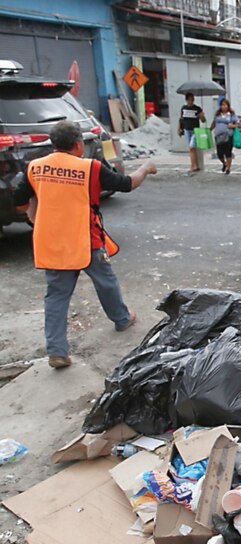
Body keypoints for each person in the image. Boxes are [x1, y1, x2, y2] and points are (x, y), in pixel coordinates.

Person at [13, 121, 157, 369]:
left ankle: (57, 351)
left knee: (56, 296)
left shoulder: (35, 167)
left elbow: (19, 201)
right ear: (78, 144)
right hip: (86, 240)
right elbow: (126, 184)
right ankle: (122, 318)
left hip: (52, 242)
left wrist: (32, 212)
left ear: (53, 144)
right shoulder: (90, 167)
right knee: (106, 282)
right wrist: (145, 168)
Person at [178, 92, 206, 176]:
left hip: (195, 130)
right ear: (186, 100)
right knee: (191, 149)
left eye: (192, 99)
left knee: (191, 147)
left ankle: (192, 166)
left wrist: (201, 116)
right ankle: (195, 165)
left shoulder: (197, 109)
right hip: (187, 130)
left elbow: (203, 120)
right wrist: (179, 128)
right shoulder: (183, 108)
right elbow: (181, 119)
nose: (191, 101)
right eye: (189, 99)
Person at [211, 98, 239, 174]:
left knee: (228, 152)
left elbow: (237, 124)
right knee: (220, 153)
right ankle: (224, 163)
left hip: (228, 135)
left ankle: (228, 168)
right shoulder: (217, 114)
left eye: (225, 105)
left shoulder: (231, 114)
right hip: (218, 136)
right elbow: (214, 122)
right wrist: (210, 129)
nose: (224, 106)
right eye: (222, 105)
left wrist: (232, 126)